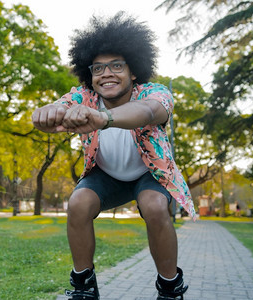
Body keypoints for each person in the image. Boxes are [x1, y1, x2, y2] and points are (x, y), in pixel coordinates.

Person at [32, 12, 196, 300]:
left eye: (116, 66)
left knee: (155, 205)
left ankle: (170, 288)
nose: (106, 74)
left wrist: (102, 118)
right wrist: (46, 112)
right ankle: (84, 285)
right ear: (90, 76)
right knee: (78, 202)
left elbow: (147, 111)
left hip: (150, 174)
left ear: (133, 71)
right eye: (98, 69)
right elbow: (60, 104)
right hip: (106, 175)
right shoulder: (84, 97)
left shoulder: (154, 92)